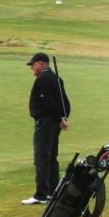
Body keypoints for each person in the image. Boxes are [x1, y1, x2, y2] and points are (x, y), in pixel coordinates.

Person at [22, 52, 71, 205]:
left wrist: (59, 119)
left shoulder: (43, 79)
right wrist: (63, 118)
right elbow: (65, 103)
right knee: (51, 157)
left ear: (40, 63)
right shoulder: (56, 78)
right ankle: (52, 192)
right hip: (54, 123)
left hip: (45, 123)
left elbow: (48, 103)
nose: (32, 69)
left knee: (41, 157)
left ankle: (41, 194)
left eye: (33, 65)